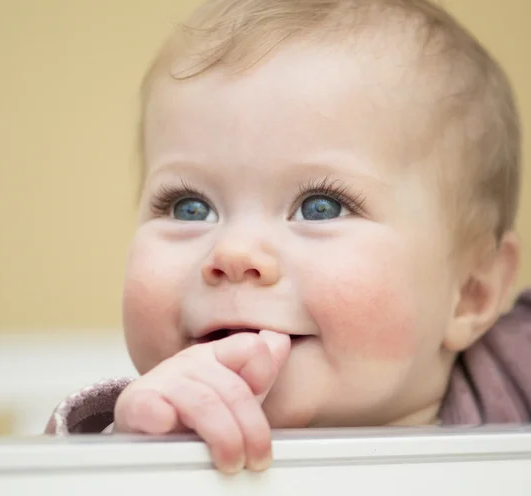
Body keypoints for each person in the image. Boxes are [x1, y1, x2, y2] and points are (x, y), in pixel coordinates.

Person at [45, 0, 531, 475]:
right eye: (189, 207)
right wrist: (127, 456)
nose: (232, 253)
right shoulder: (155, 425)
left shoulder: (516, 373)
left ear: (471, 292)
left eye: (321, 207)